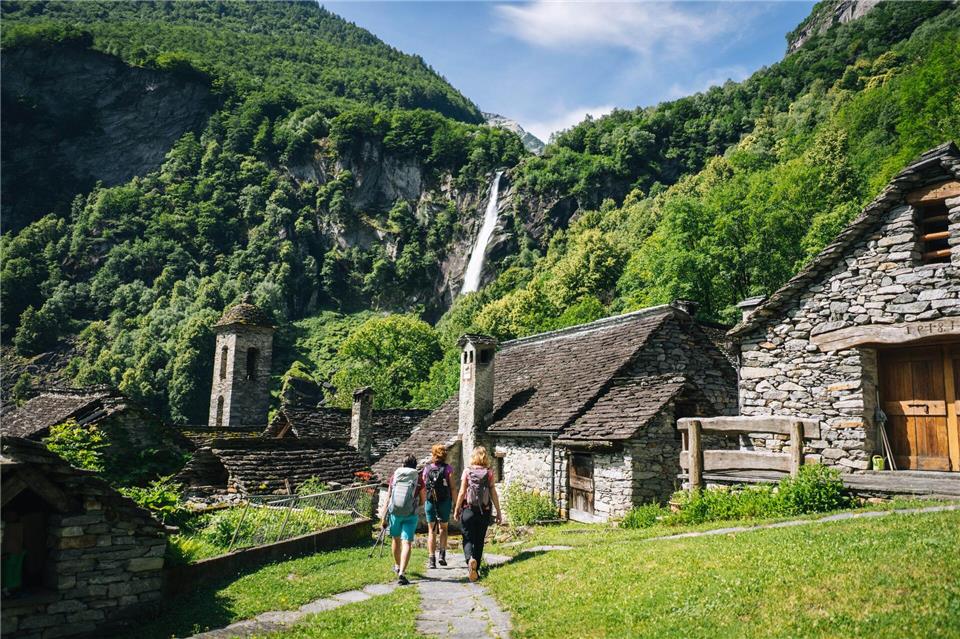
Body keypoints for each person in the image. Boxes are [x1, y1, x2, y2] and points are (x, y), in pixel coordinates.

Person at [453, 446, 502, 582]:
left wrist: (457, 508)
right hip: (484, 511)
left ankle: (470, 561)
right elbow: (493, 493)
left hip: (468, 510)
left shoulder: (467, 472)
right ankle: (476, 568)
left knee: (467, 538)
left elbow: (462, 492)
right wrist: (498, 512)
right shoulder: (489, 473)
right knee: (479, 540)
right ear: (484, 457)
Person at [381, 454, 424, 585]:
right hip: (410, 514)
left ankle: (397, 565)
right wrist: (416, 504)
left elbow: (388, 497)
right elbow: (423, 499)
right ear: (415, 465)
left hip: (395, 513)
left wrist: (383, 516)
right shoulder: (418, 478)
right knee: (407, 543)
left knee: (396, 539)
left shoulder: (395, 477)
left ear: (403, 464)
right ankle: (402, 573)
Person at [422, 443, 454, 569]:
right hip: (444, 501)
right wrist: (456, 502)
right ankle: (442, 555)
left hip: (430, 502)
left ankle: (431, 560)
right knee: (443, 528)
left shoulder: (427, 468)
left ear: (433, 454)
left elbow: (425, 485)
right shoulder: (448, 469)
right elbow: (452, 487)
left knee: (431, 530)